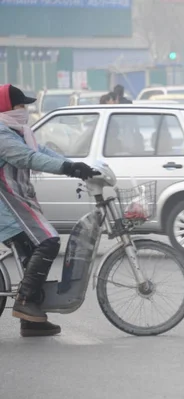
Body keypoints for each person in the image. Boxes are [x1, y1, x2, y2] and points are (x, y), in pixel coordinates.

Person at [0, 84, 98, 337]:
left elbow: (42, 152)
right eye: (21, 106)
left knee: (31, 254)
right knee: (49, 241)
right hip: (7, 206)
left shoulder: (19, 132)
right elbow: (28, 158)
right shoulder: (2, 135)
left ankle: (31, 321)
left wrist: (76, 164)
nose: (25, 111)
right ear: (7, 108)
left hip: (18, 202)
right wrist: (69, 169)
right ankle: (24, 302)